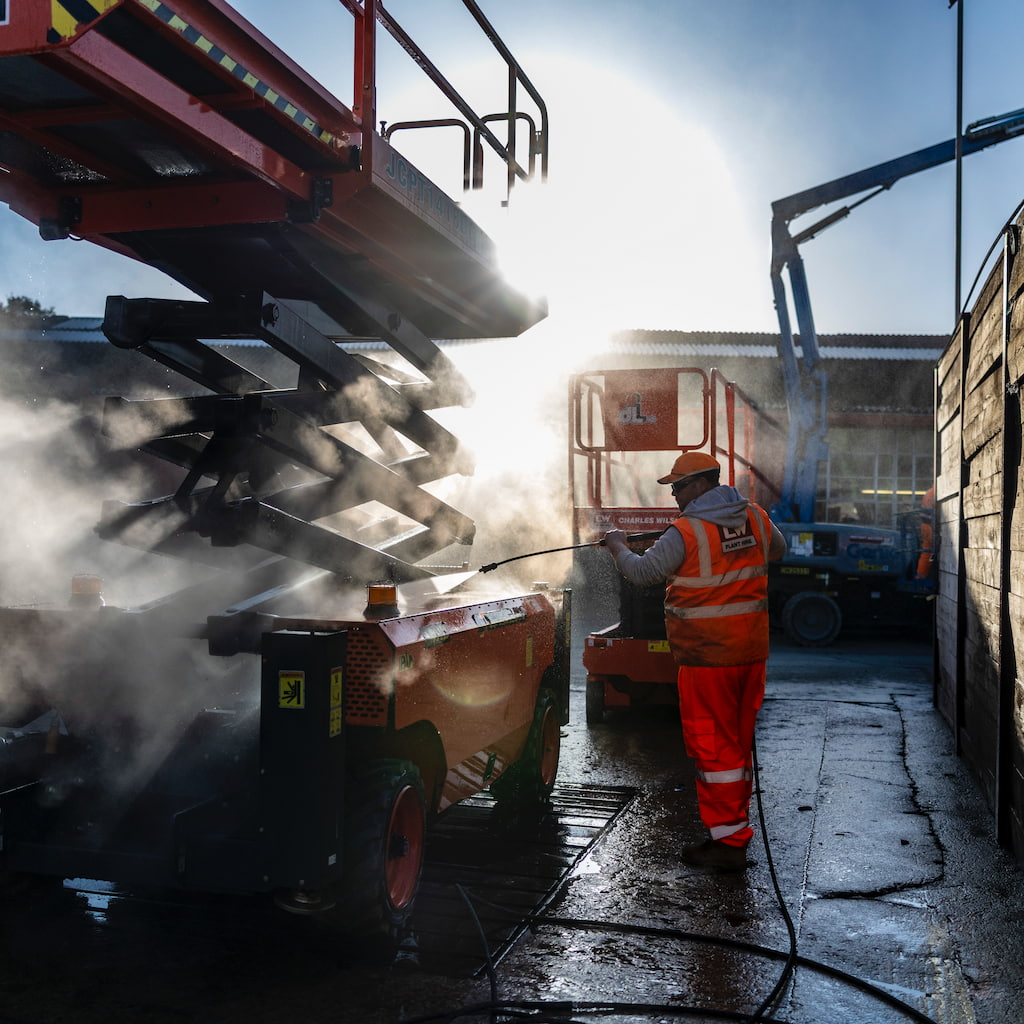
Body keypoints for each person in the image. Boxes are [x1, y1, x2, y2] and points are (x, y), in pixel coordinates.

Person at [602, 451, 787, 872]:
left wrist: (616, 547)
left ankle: (727, 844)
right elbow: (777, 550)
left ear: (702, 484)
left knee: (714, 750)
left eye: (678, 487)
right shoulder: (754, 515)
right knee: (736, 746)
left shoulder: (686, 531)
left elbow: (644, 573)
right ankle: (733, 832)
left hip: (707, 660)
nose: (675, 497)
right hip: (750, 656)